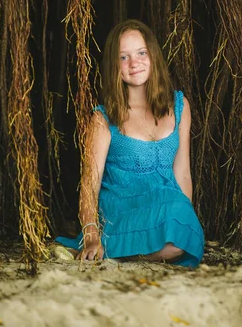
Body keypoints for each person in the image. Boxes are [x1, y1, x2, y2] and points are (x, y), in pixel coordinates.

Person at [54, 19, 204, 266]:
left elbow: (183, 173)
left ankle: (115, 252)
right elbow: (89, 183)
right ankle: (101, 247)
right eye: (124, 57)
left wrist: (183, 220)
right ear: (115, 66)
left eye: (141, 53)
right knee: (173, 242)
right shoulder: (103, 118)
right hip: (121, 210)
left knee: (181, 237)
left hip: (167, 205)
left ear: (153, 55)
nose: (134, 63)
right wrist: (91, 234)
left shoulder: (179, 107)